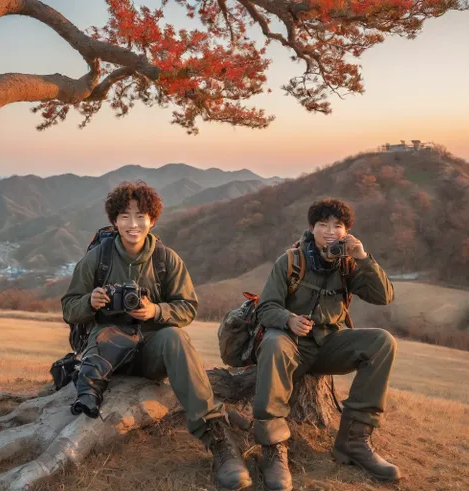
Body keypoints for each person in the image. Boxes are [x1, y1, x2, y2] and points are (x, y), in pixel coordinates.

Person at [61, 181, 252, 490]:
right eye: (125, 216)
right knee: (108, 337)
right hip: (108, 354)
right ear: (114, 220)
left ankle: (218, 440)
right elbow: (69, 307)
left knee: (175, 338)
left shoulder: (166, 259)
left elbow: (188, 308)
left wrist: (155, 312)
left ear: (152, 219)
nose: (133, 224)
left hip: (151, 351)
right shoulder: (97, 259)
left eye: (141, 216)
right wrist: (90, 302)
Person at [253, 197, 398, 491]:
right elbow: (265, 307)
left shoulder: (348, 264)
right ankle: (273, 448)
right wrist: (288, 319)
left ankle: (354, 442)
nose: (331, 232)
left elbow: (384, 296)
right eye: (323, 225)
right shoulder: (292, 260)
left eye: (338, 226)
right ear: (312, 228)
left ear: (347, 231)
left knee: (382, 342)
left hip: (329, 344)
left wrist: (363, 258)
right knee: (273, 343)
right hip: (292, 344)